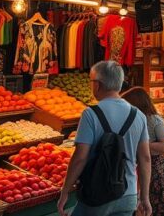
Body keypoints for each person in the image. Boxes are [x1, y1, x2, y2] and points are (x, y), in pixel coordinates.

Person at [60, 61, 151, 216]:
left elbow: (80, 158)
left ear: (98, 85)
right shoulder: (138, 116)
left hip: (97, 194)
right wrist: (144, 197)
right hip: (127, 194)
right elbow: (145, 159)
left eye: (91, 81)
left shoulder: (90, 114)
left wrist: (65, 191)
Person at [121, 87, 164, 216]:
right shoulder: (132, 120)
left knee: (157, 205)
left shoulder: (155, 120)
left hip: (155, 168)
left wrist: (142, 145)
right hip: (137, 167)